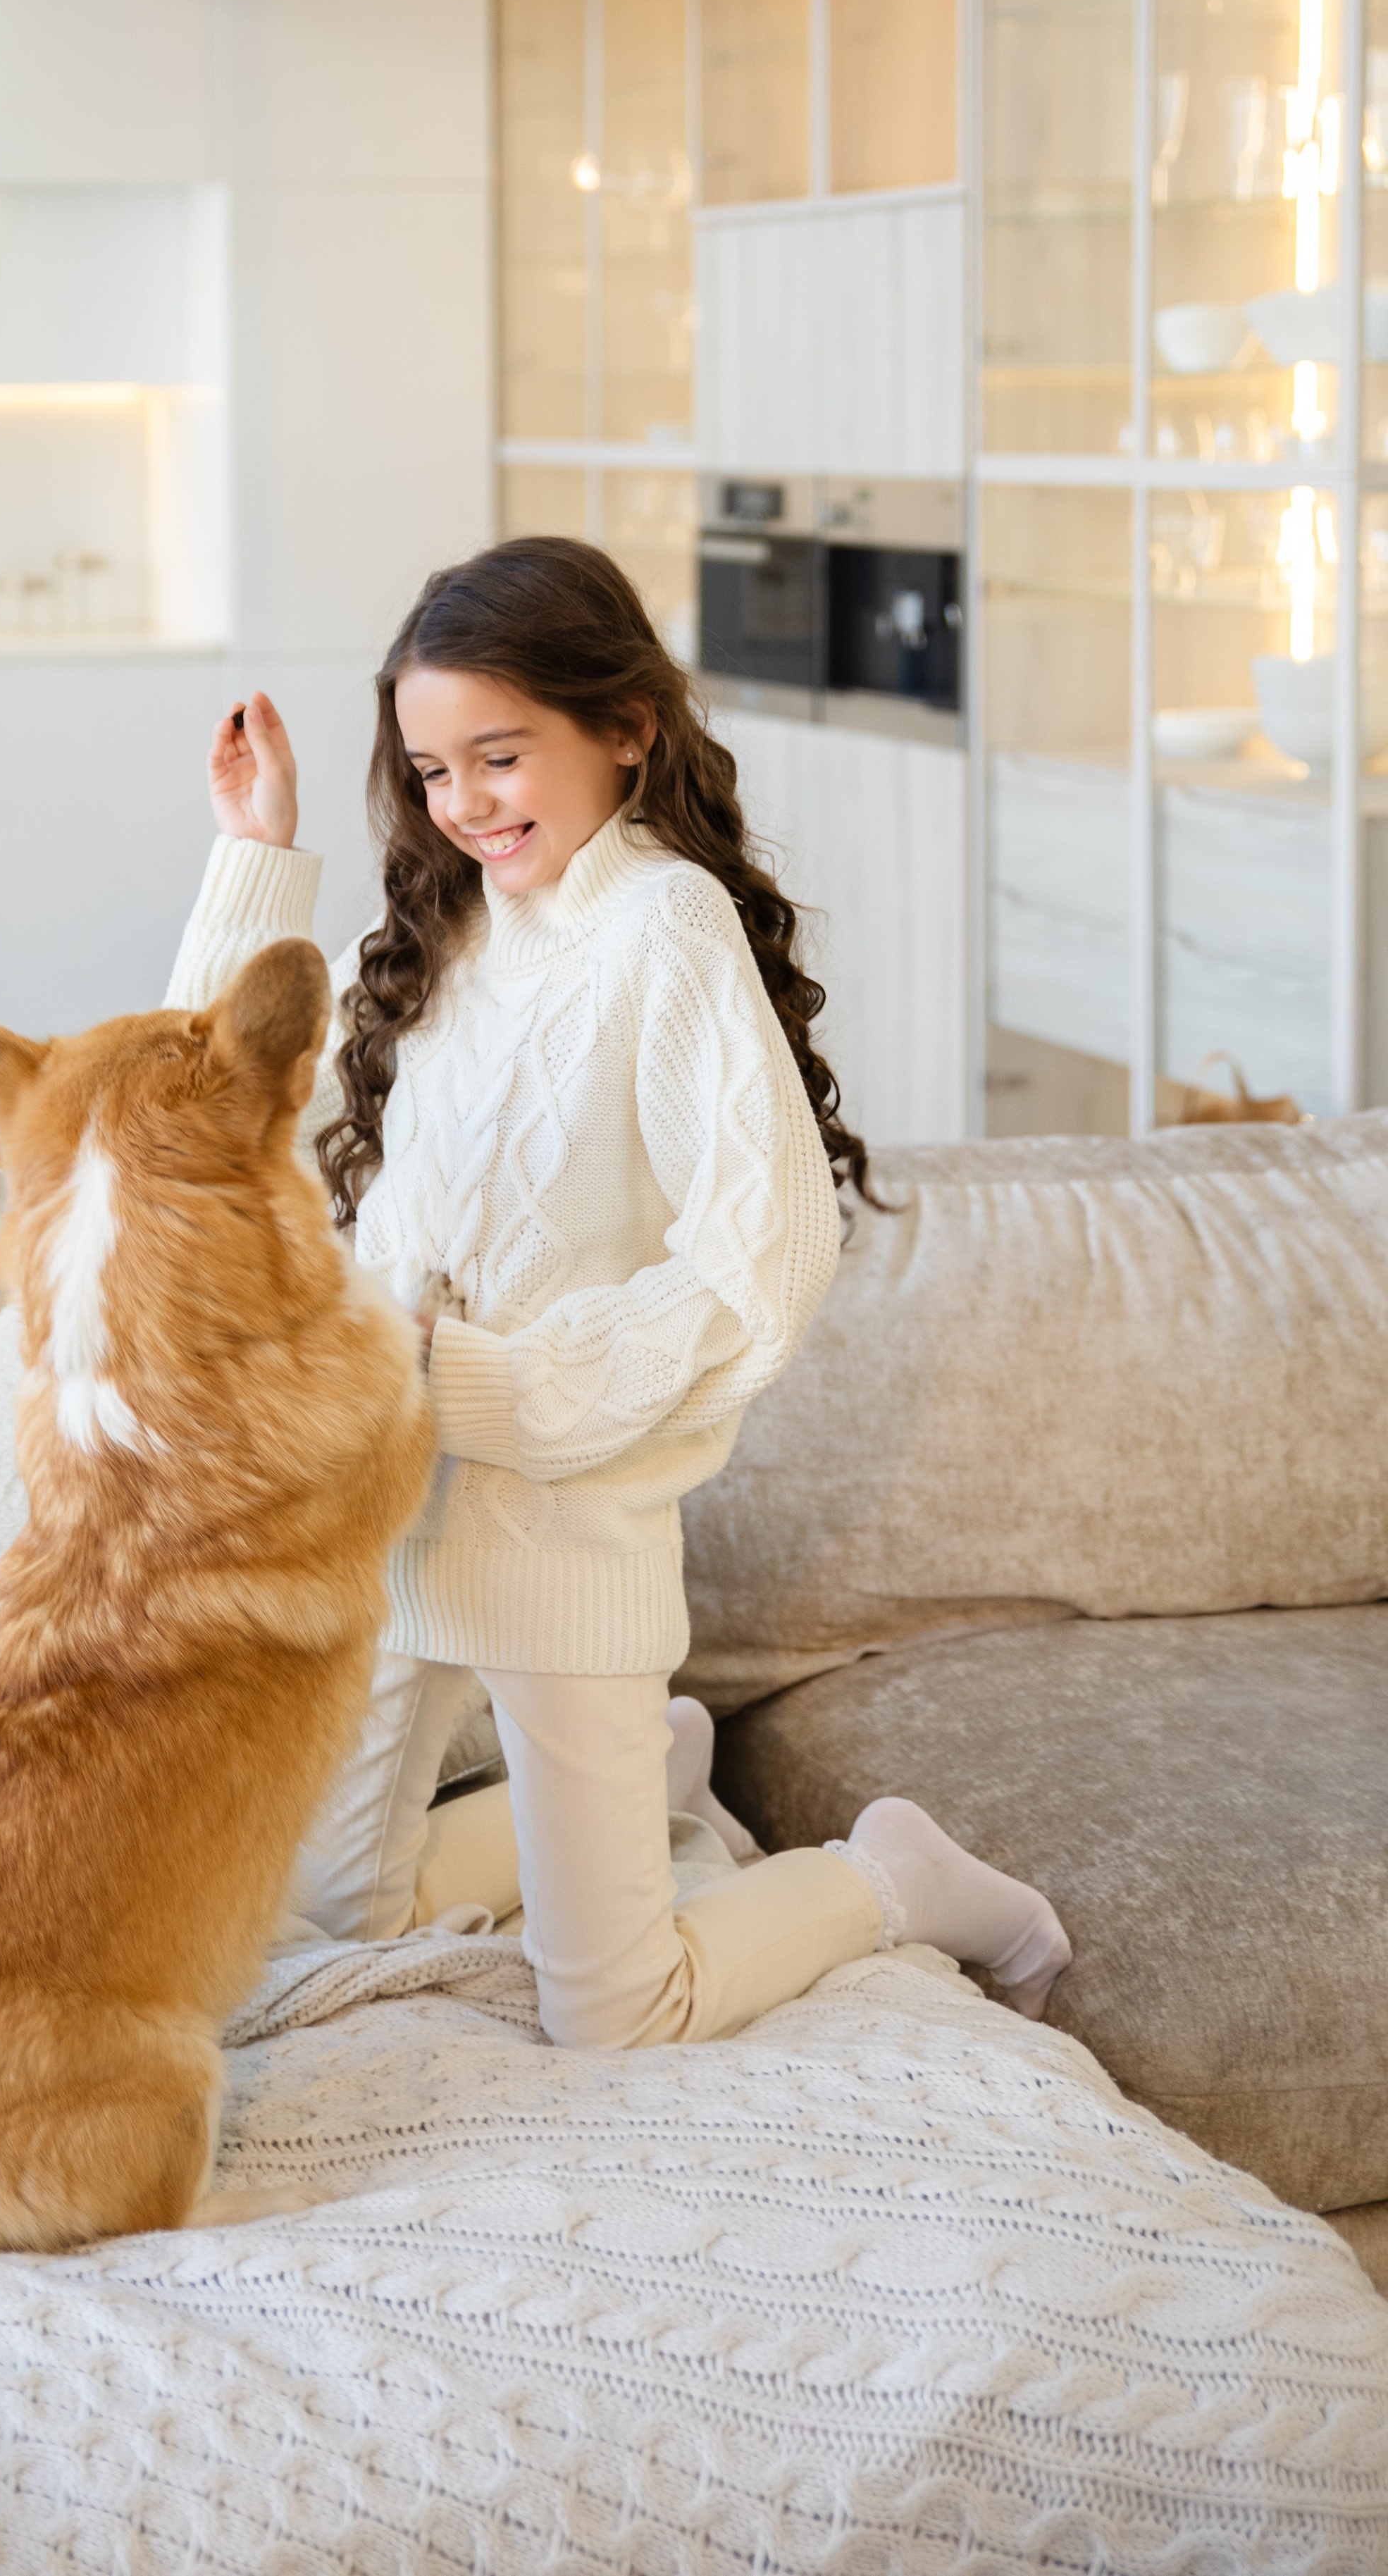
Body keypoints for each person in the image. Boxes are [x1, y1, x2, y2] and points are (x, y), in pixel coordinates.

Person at [166, 537, 1070, 2050]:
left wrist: (486, 1390)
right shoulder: (446, 919)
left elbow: (758, 1266)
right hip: (386, 1512)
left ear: (624, 729)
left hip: (562, 1531)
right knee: (327, 1908)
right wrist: (259, 847)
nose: (464, 803)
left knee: (614, 2012)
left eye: (501, 756)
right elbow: (204, 1104)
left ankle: (885, 1876)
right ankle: (646, 1768)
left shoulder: (663, 931)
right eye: (432, 768)